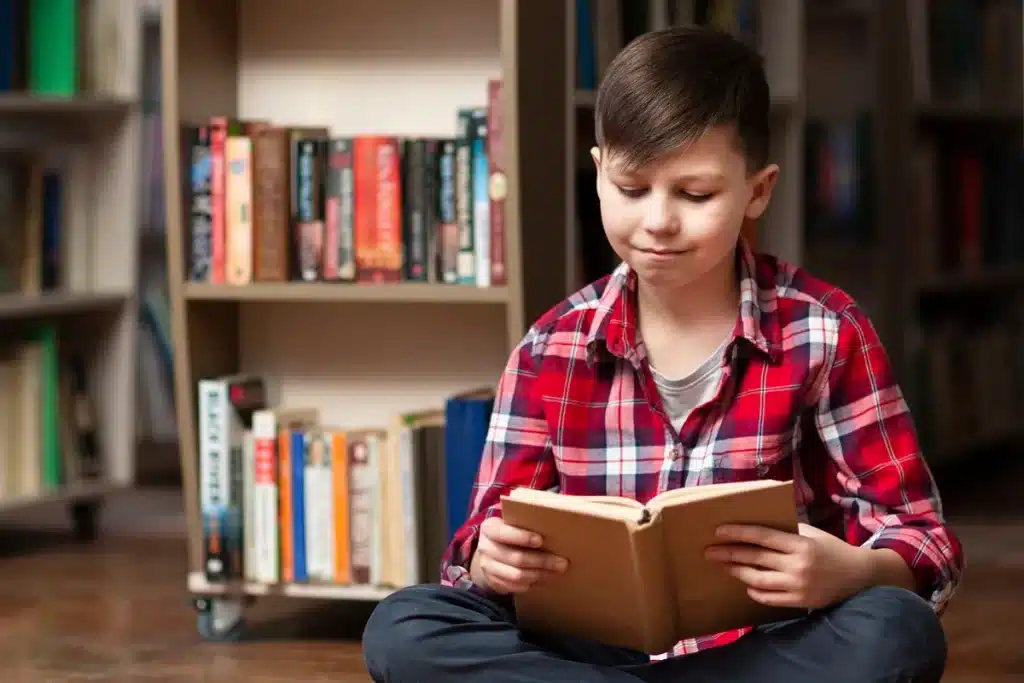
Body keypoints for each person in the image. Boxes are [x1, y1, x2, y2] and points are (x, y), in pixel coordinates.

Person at [362, 25, 963, 683]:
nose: (657, 220)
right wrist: (489, 560)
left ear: (757, 191)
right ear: (598, 174)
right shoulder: (548, 348)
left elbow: (921, 537)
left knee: (898, 632)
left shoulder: (825, 332)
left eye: (695, 194)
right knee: (405, 628)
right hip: (587, 648)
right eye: (631, 188)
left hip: (762, 649)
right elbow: (479, 547)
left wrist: (850, 570)